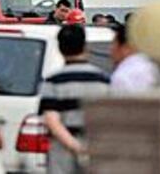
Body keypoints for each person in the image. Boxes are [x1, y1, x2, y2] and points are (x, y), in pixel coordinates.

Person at [39, 25, 109, 173]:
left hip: (62, 150)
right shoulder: (102, 80)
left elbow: (51, 120)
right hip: (96, 146)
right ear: (84, 46)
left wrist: (75, 146)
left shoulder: (53, 81)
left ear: (60, 48)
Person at [109, 23, 158, 92]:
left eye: (114, 44)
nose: (111, 49)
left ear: (126, 47)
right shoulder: (156, 69)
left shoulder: (122, 77)